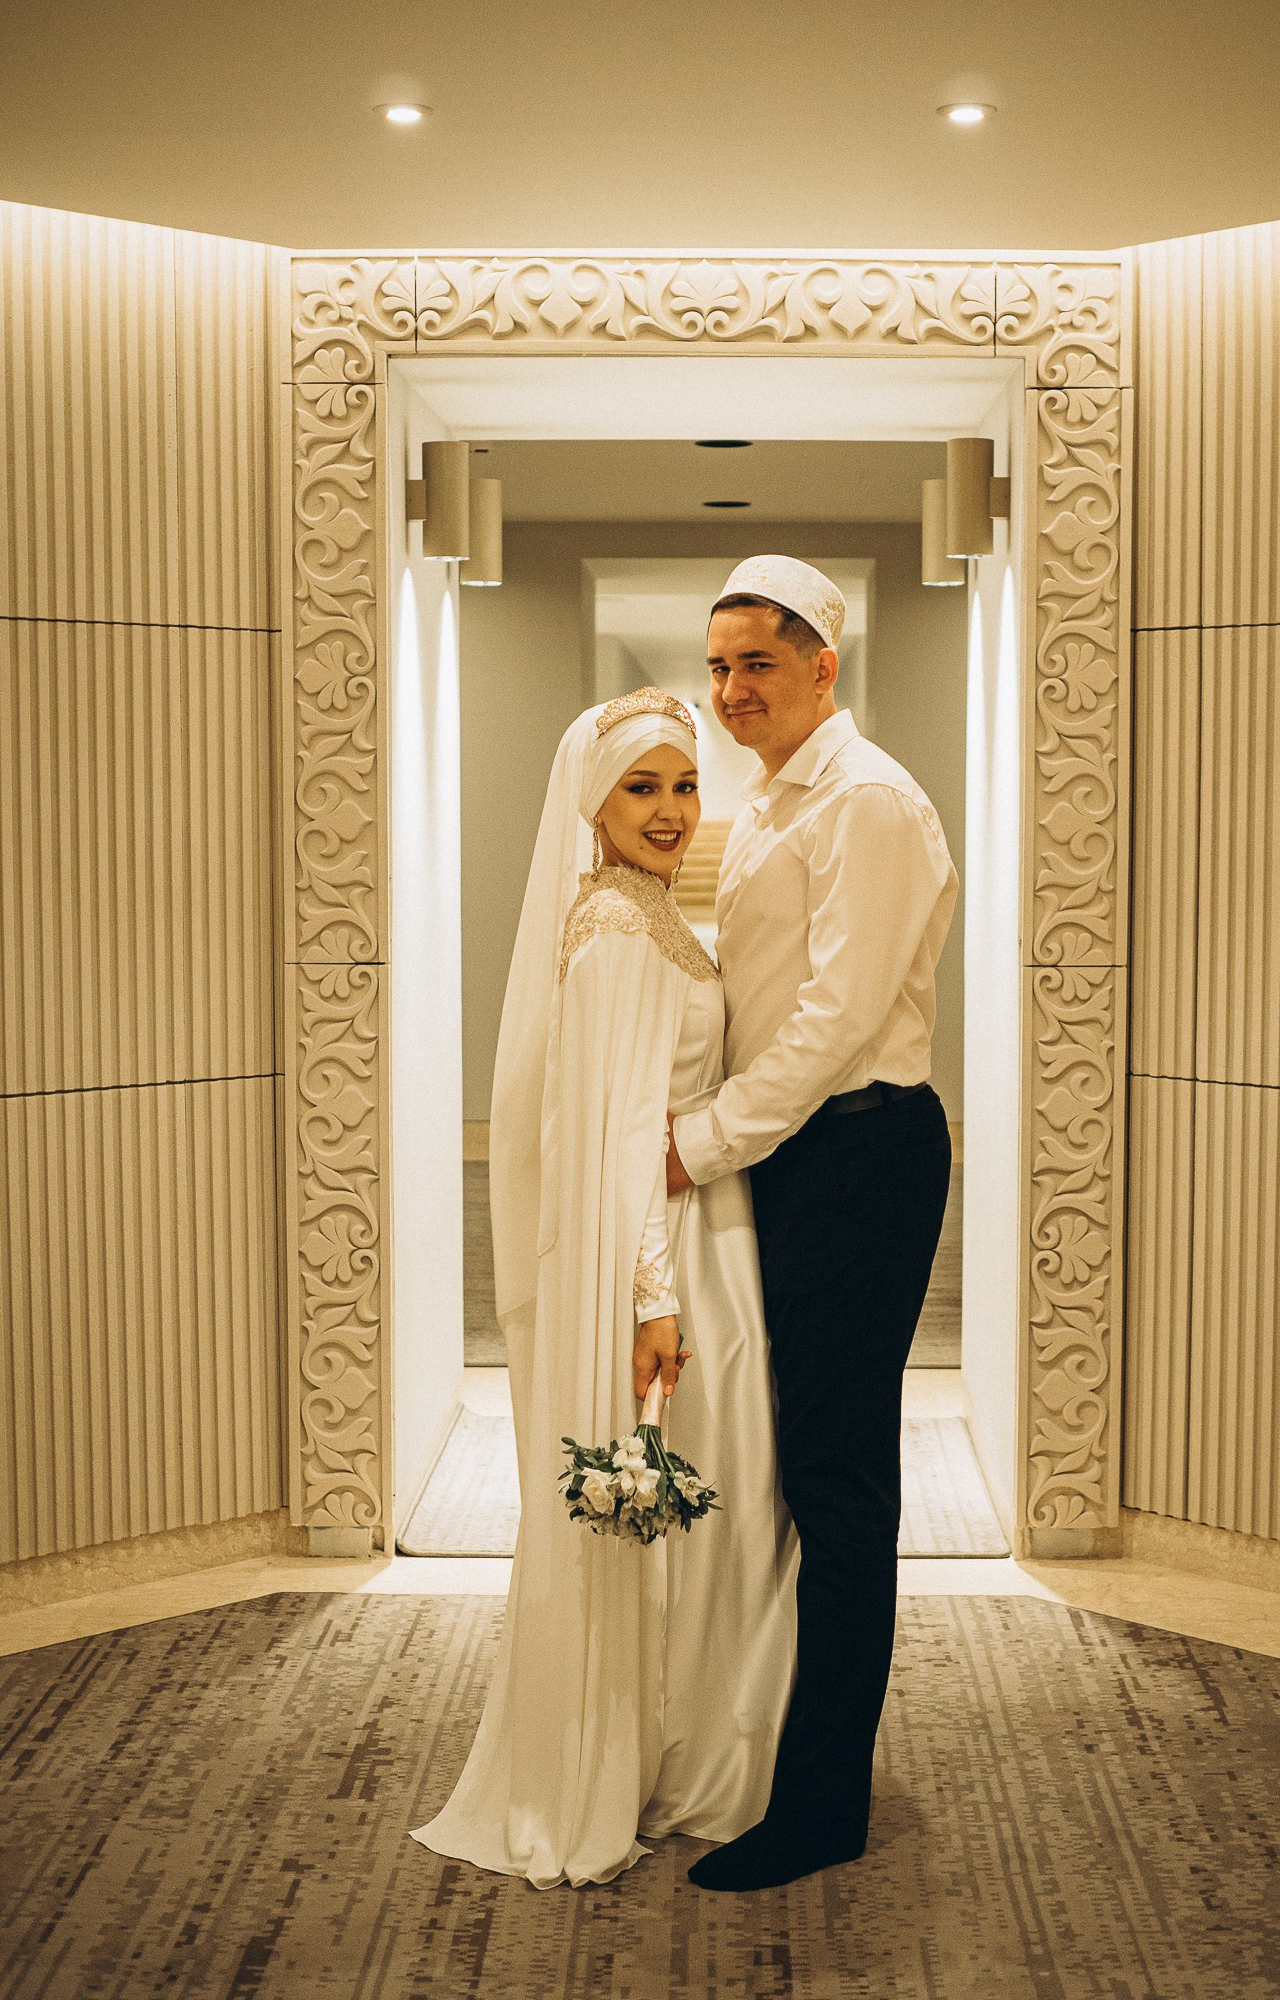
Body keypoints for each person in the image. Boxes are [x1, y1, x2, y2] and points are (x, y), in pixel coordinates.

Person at [408, 686, 798, 1890]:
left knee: (720, 1509)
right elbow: (619, 1135)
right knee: (703, 1508)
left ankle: (687, 1749)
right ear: (595, 799)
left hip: (706, 1237)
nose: (671, 808)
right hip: (676, 1256)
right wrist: (652, 1299)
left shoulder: (643, 908)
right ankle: (667, 1759)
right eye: (642, 787)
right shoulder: (619, 927)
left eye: (684, 784)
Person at [669, 555, 959, 1893]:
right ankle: (764, 1756)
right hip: (795, 1154)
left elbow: (836, 1017)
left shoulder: (869, 800)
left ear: (821, 667)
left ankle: (823, 1805)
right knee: (785, 1463)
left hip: (860, 1151)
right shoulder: (774, 797)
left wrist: (707, 1138)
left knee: (839, 1484)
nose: (732, 690)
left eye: (758, 664)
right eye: (719, 666)